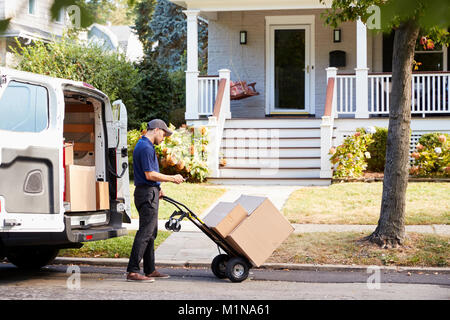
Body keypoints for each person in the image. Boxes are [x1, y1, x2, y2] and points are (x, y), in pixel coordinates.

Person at [126, 119, 184, 282]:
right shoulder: (145, 147)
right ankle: (133, 271)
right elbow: (149, 174)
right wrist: (172, 178)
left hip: (149, 192)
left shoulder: (145, 145)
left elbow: (151, 176)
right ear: (157, 130)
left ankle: (150, 269)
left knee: (151, 232)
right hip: (146, 194)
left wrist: (158, 187)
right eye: (164, 134)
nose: (164, 137)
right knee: (145, 232)